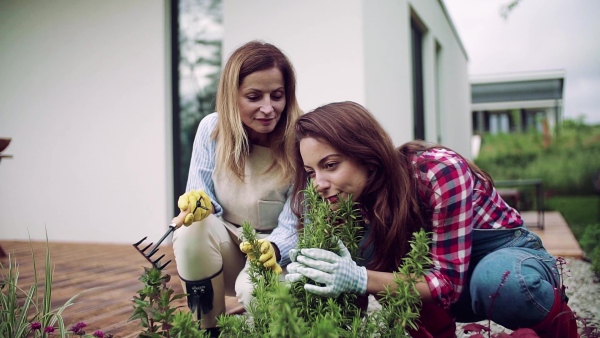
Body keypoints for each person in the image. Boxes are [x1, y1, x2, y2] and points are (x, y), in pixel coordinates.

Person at [285, 101, 578, 338]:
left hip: (496, 255)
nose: (318, 184)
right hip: (439, 281)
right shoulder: (342, 201)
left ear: (367, 155)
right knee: (374, 250)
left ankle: (562, 330)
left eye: (331, 165)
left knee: (497, 280)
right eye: (311, 172)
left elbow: (447, 283)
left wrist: (359, 278)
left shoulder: (436, 170)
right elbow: (351, 296)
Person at [171, 40, 302, 336]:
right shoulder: (211, 130)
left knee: (251, 289)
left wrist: (275, 247)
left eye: (277, 96)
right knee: (191, 229)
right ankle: (209, 328)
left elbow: (296, 221)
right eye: (254, 97)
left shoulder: (301, 138)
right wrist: (198, 206)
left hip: (276, 253)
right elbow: (203, 202)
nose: (268, 109)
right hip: (228, 247)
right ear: (233, 96)